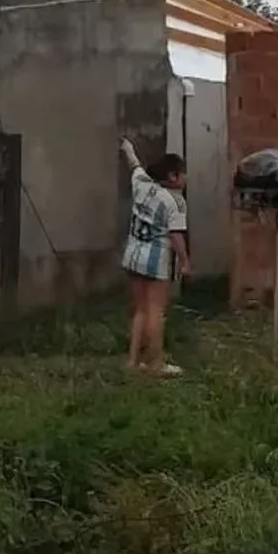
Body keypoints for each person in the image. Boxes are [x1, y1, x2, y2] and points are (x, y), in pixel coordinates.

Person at [119, 138, 191, 377]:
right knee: (156, 311)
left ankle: (132, 361)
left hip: (132, 254)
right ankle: (156, 363)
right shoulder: (175, 202)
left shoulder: (141, 185)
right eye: (182, 175)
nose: (185, 179)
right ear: (172, 177)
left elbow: (134, 164)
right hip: (155, 259)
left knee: (139, 310)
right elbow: (176, 235)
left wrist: (128, 148)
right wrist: (184, 260)